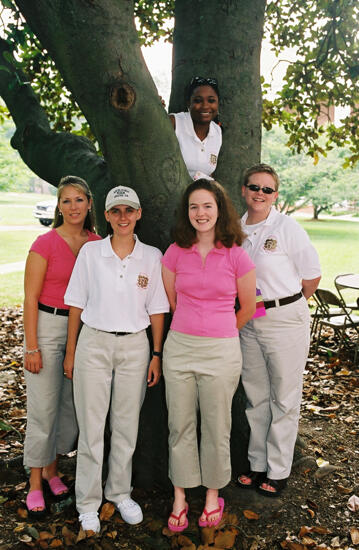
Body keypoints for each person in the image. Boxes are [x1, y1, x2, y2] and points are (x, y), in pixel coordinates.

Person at [63, 185, 169, 533]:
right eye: (116, 211)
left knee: (126, 427)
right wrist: (71, 353)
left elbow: (156, 310)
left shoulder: (152, 256)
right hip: (93, 344)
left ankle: (119, 492)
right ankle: (88, 503)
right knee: (92, 429)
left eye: (129, 210)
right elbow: (76, 304)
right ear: (106, 216)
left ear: (139, 214)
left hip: (135, 348)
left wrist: (155, 354)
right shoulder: (92, 253)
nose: (123, 217)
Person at [161, 179, 256, 532]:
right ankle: (181, 497)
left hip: (221, 351)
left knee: (217, 427)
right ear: (187, 213)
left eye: (207, 206)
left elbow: (248, 307)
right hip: (180, 348)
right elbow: (172, 301)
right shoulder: (174, 251)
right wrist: (192, 324)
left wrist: (220, 329)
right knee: (179, 425)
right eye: (194, 207)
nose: (201, 213)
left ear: (220, 210)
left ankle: (213, 495)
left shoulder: (236, 254)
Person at [237, 163, 321, 497]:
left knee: (284, 397)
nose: (260, 194)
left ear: (275, 195)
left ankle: (278, 469)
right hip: (248, 320)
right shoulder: (236, 229)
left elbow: (312, 276)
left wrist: (283, 306)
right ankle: (257, 463)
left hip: (285, 318)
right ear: (244, 190)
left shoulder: (287, 227)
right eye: (254, 187)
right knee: (255, 396)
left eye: (267, 189)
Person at [23, 175, 100, 517]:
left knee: (68, 409)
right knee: (43, 408)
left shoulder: (97, 243)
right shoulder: (45, 243)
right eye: (66, 201)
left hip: (84, 330)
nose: (73, 207)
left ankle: (53, 469)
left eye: (79, 200)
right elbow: (29, 298)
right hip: (48, 325)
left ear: (89, 204)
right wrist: (31, 346)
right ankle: (35, 482)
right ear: (58, 206)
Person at [169, 76, 222, 180]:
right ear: (189, 103)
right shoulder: (174, 122)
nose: (205, 106)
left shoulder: (217, 131)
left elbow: (207, 173)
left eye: (211, 101)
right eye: (198, 101)